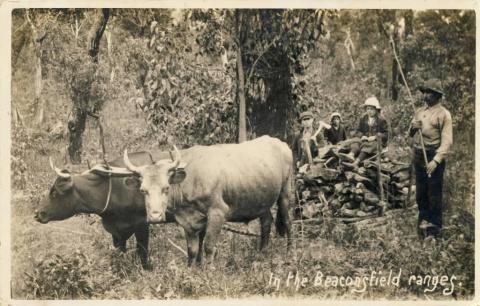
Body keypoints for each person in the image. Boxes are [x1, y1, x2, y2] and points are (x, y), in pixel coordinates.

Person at [409, 79, 452, 238]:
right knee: (421, 194)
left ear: (437, 96)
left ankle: (434, 232)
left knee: (434, 194)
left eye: (429, 93)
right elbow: (411, 133)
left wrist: (436, 161)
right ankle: (422, 229)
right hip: (419, 155)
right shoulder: (420, 111)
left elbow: (447, 141)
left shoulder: (444, 114)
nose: (425, 95)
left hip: (433, 156)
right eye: (425, 92)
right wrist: (414, 127)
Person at [347, 96, 389, 167]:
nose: (369, 111)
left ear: (376, 110)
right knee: (355, 141)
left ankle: (356, 162)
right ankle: (351, 155)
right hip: (365, 140)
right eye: (368, 109)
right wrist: (362, 136)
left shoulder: (381, 120)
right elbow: (359, 130)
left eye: (372, 109)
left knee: (371, 145)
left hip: (376, 142)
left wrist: (375, 137)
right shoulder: (363, 118)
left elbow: (386, 134)